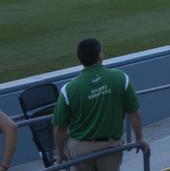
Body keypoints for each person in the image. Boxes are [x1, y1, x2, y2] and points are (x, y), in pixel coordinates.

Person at [53, 39, 148, 170]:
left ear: (80, 59)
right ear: (100, 56)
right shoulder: (120, 78)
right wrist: (140, 138)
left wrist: (60, 153)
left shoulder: (68, 89)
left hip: (80, 149)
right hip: (110, 147)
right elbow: (134, 111)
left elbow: (60, 127)